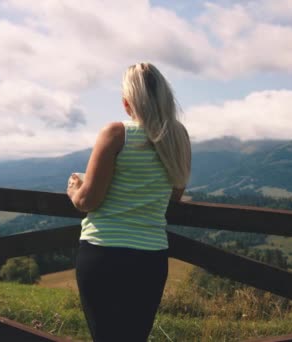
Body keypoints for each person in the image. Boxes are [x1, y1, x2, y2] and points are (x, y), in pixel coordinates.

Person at [66, 62, 191, 342]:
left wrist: (75, 188)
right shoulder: (179, 138)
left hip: (103, 253)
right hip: (151, 257)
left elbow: (88, 200)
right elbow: (174, 195)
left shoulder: (115, 134)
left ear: (126, 103)